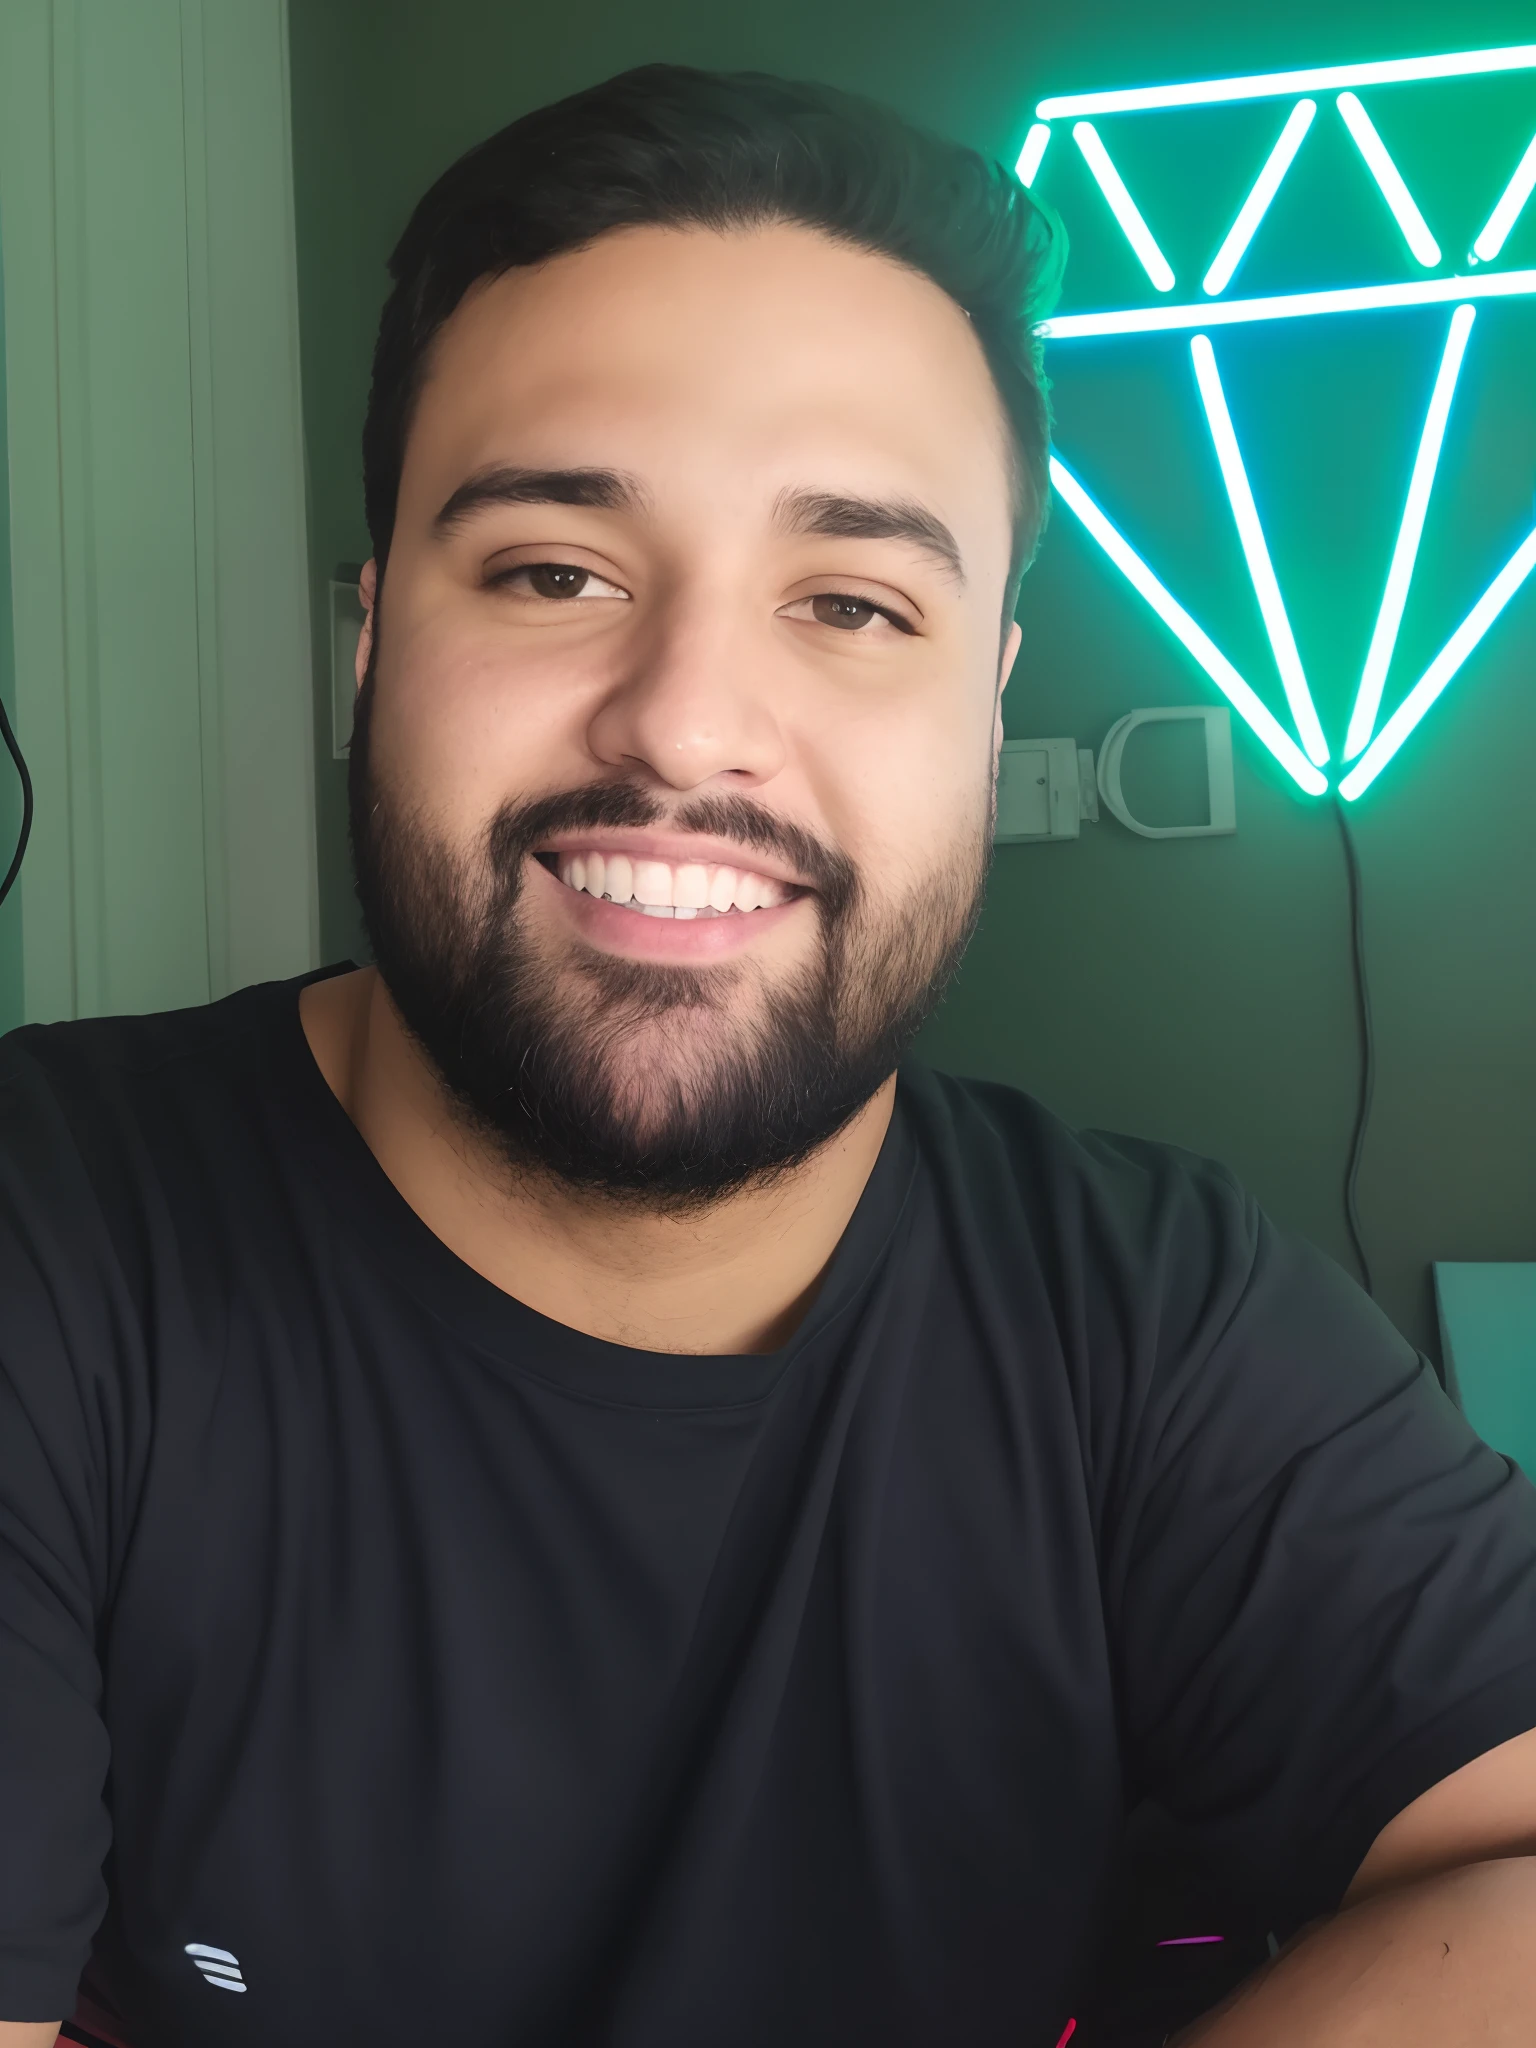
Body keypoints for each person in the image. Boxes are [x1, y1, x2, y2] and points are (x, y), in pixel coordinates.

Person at [2, 64, 1535, 2048]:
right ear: (375, 638)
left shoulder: (1154, 1321)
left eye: (852, 602)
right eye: (555, 571)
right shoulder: (47, 1242)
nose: (689, 722)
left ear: (987, 698)